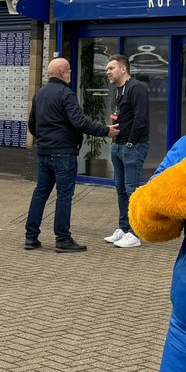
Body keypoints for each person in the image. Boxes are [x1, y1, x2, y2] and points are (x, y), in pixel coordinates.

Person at [24, 56, 116, 252]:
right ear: (62, 73)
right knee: (64, 196)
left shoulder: (39, 94)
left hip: (43, 152)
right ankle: (62, 239)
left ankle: (31, 237)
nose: (71, 75)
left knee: (40, 192)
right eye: (69, 71)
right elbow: (80, 122)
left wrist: (44, 138)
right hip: (63, 153)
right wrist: (105, 131)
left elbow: (32, 125)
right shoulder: (66, 94)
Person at [103, 55, 150, 249]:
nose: (108, 71)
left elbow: (141, 119)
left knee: (132, 190)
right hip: (117, 146)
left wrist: (130, 143)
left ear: (123, 69)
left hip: (132, 147)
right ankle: (123, 228)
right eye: (107, 68)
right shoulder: (118, 90)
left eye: (111, 68)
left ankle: (135, 233)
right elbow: (120, 115)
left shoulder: (136, 88)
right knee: (121, 189)